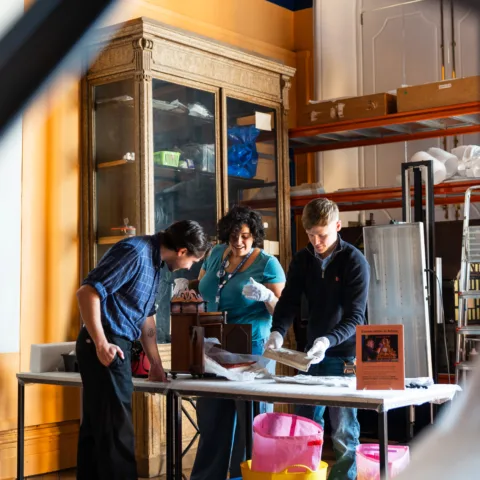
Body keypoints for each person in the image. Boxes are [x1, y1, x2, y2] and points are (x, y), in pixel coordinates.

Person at [75, 220, 209, 480]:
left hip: (116, 343)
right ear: (181, 251)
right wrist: (102, 343)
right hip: (106, 344)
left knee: (99, 429)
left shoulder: (155, 262)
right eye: (193, 260)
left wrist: (156, 364)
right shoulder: (135, 252)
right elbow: (87, 292)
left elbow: (146, 318)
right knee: (118, 432)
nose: (191, 267)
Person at [266, 198, 370, 480]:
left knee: (344, 430)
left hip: (344, 355)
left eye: (322, 235)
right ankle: (304, 477)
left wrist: (327, 341)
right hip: (309, 355)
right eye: (310, 235)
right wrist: (277, 330)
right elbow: (287, 303)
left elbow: (356, 317)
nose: (316, 241)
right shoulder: (302, 259)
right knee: (304, 426)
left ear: (337, 226)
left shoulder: (354, 261)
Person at [190, 206, 286, 480]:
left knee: (251, 425)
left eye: (245, 236)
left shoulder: (268, 263)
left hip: (251, 351)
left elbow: (282, 312)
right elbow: (202, 288)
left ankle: (247, 477)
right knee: (211, 421)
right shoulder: (216, 254)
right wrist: (187, 286)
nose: (239, 242)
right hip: (212, 347)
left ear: (255, 235)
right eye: (233, 236)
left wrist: (267, 296)